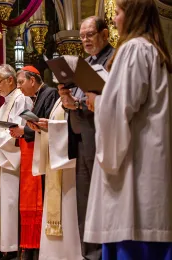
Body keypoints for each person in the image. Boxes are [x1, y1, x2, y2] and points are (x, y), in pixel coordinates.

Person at [84, 0, 172, 258]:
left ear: (132, 16)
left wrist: (97, 102)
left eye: (119, 13)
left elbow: (118, 108)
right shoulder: (156, 51)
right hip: (152, 170)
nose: (114, 20)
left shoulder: (134, 49)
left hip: (135, 171)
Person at [57, 16, 114, 260]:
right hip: (81, 137)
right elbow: (82, 101)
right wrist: (68, 100)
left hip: (102, 138)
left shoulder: (113, 60)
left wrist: (84, 101)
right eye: (82, 36)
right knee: (85, 201)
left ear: (105, 34)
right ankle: (89, 254)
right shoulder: (84, 64)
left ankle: (104, 254)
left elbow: (110, 99)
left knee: (101, 199)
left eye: (90, 34)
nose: (85, 40)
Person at [31, 56, 82, 260]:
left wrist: (49, 126)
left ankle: (70, 254)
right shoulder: (61, 98)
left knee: (69, 210)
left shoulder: (77, 94)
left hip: (70, 163)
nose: (55, 76)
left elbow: (77, 125)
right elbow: (57, 124)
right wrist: (42, 127)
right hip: (57, 162)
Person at [0, 64, 33, 260]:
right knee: (2, 206)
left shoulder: (22, 99)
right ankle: (2, 246)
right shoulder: (4, 104)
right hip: (2, 160)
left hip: (14, 161)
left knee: (11, 205)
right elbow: (1, 130)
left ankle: (12, 248)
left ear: (10, 80)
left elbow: (22, 129)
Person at [10, 66, 59, 259]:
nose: (19, 87)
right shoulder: (35, 98)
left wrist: (25, 131)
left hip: (47, 156)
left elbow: (48, 125)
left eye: (21, 82)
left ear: (32, 80)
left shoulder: (50, 94)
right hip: (36, 153)